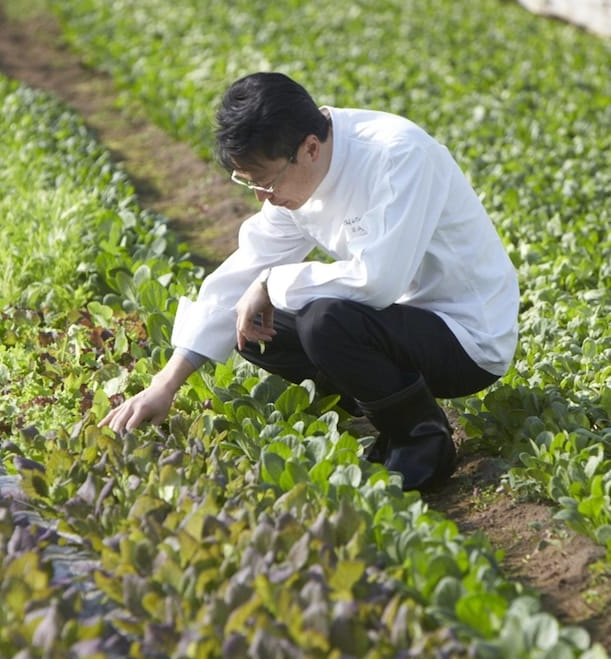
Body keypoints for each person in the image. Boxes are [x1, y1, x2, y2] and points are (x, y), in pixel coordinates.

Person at [100, 72, 519, 491]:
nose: (261, 197)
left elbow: (378, 281)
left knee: (324, 320)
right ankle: (386, 414)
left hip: (466, 337)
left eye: (265, 182)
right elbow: (243, 269)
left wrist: (270, 283)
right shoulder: (293, 176)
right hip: (398, 326)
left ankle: (422, 439)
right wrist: (164, 385)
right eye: (249, 183)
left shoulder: (397, 155)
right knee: (252, 327)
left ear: (310, 148)